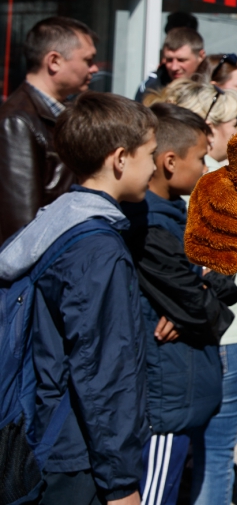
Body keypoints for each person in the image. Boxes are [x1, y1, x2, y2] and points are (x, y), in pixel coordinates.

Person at [0, 92, 158, 505]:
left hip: (42, 433)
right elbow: (104, 370)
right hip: (73, 452)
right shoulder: (98, 251)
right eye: (150, 154)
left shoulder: (55, 219)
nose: (155, 166)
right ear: (120, 159)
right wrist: (121, 484)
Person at [124, 104, 237, 505]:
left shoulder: (176, 215)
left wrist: (200, 289)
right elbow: (203, 311)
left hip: (178, 393)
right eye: (201, 158)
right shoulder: (150, 227)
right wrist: (195, 297)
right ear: (170, 162)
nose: (207, 169)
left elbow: (221, 279)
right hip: (165, 403)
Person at [165, 81, 237, 505]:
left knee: (179, 451)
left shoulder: (163, 179)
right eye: (232, 124)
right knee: (216, 454)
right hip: (230, 332)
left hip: (184, 330)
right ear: (207, 129)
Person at [0, 16, 98, 244]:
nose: (94, 68)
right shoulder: (17, 122)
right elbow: (20, 227)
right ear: (54, 61)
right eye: (88, 60)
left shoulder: (66, 112)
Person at [137, 27, 206, 102]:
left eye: (181, 60)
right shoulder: (150, 88)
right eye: (169, 60)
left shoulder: (212, 86)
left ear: (201, 56)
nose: (174, 67)